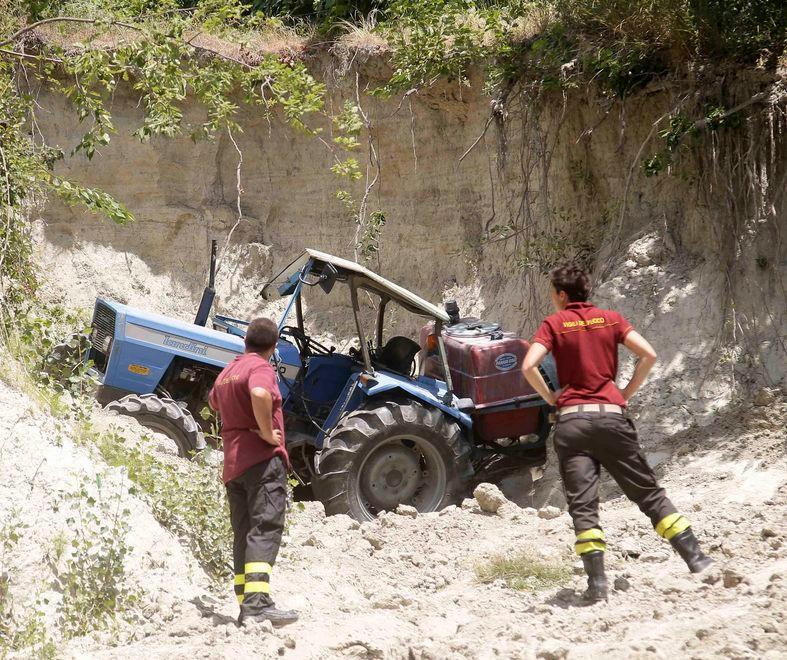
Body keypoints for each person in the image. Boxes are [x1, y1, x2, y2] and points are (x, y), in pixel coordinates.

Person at [522, 262, 713, 604]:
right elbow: (648, 354)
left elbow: (528, 365)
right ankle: (696, 559)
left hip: (572, 423)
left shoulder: (555, 323)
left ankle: (597, 586)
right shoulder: (611, 319)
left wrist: (551, 397)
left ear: (562, 295)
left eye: (553, 293)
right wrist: (624, 392)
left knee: (583, 506)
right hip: (612, 419)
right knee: (648, 494)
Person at [208, 317, 298, 626]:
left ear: (245, 341)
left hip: (233, 464)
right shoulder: (260, 368)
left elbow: (214, 404)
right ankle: (257, 605)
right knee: (265, 527)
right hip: (261, 461)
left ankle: (246, 603)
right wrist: (266, 432)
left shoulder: (228, 371)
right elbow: (260, 393)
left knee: (244, 533)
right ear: (274, 347)